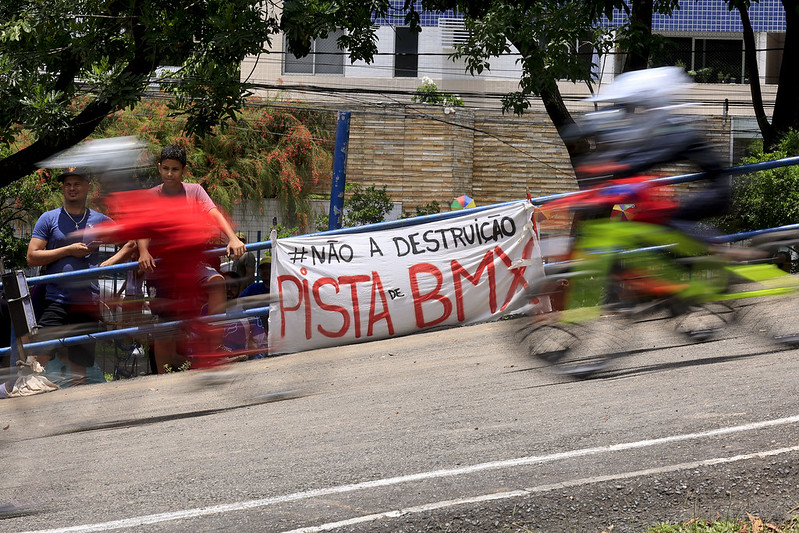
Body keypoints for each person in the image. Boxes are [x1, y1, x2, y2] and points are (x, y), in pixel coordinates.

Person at [26, 168, 135, 386]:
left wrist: (108, 263)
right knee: (37, 358)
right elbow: (31, 256)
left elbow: (130, 243)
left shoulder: (99, 219)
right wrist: (68, 250)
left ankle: (77, 412)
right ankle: (28, 394)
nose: (72, 188)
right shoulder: (49, 218)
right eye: (68, 184)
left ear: (88, 187)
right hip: (56, 300)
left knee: (80, 368)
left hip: (86, 303)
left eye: (77, 184)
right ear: (63, 188)